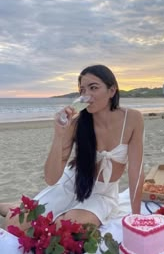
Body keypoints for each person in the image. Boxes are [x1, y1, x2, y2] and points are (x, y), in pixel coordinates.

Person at [0, 64, 144, 231]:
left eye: (93, 88)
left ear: (112, 91)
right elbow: (51, 179)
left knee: (66, 227)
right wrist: (59, 134)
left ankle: (28, 205)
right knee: (15, 224)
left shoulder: (132, 119)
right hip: (72, 183)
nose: (86, 95)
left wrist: (136, 217)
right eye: (82, 90)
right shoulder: (76, 123)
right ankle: (8, 206)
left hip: (102, 193)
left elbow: (136, 171)